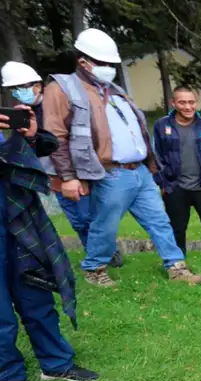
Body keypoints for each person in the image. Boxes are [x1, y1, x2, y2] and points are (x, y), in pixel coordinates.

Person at [43, 28, 201, 287]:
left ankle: (176, 267)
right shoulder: (61, 88)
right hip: (109, 172)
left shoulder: (114, 89)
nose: (109, 68)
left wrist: (150, 166)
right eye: (103, 63)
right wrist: (68, 177)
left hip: (139, 171)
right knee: (105, 225)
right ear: (83, 61)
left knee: (159, 220)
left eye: (111, 63)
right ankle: (95, 269)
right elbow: (55, 137)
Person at [0, 105, 98, 381]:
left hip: (19, 224)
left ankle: (56, 363)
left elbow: (46, 146)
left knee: (36, 296)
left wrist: (28, 136)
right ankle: (8, 377)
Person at [3, 61, 125, 267]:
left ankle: (107, 253)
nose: (18, 92)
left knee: (89, 216)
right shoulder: (20, 115)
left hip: (73, 173)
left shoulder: (58, 104)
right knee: (77, 220)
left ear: (38, 85)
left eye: (23, 87)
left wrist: (75, 174)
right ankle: (95, 255)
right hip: (51, 175)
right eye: (14, 89)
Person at [153, 86, 201, 268]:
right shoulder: (162, 126)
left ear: (197, 103)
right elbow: (156, 157)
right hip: (175, 187)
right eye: (182, 102)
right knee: (177, 228)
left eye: (191, 102)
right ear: (173, 103)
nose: (187, 107)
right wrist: (163, 184)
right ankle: (179, 263)